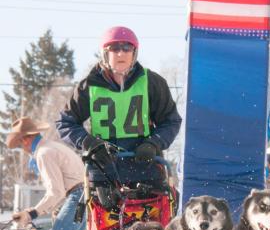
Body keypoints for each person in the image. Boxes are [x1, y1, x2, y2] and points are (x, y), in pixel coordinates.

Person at [56, 26, 182, 199]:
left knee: (152, 224)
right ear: (105, 53)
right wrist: (88, 143)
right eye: (114, 48)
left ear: (134, 53)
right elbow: (65, 122)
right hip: (104, 172)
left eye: (126, 48)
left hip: (146, 168)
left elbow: (171, 120)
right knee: (106, 225)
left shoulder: (151, 82)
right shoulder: (89, 86)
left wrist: (154, 143)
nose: (121, 53)